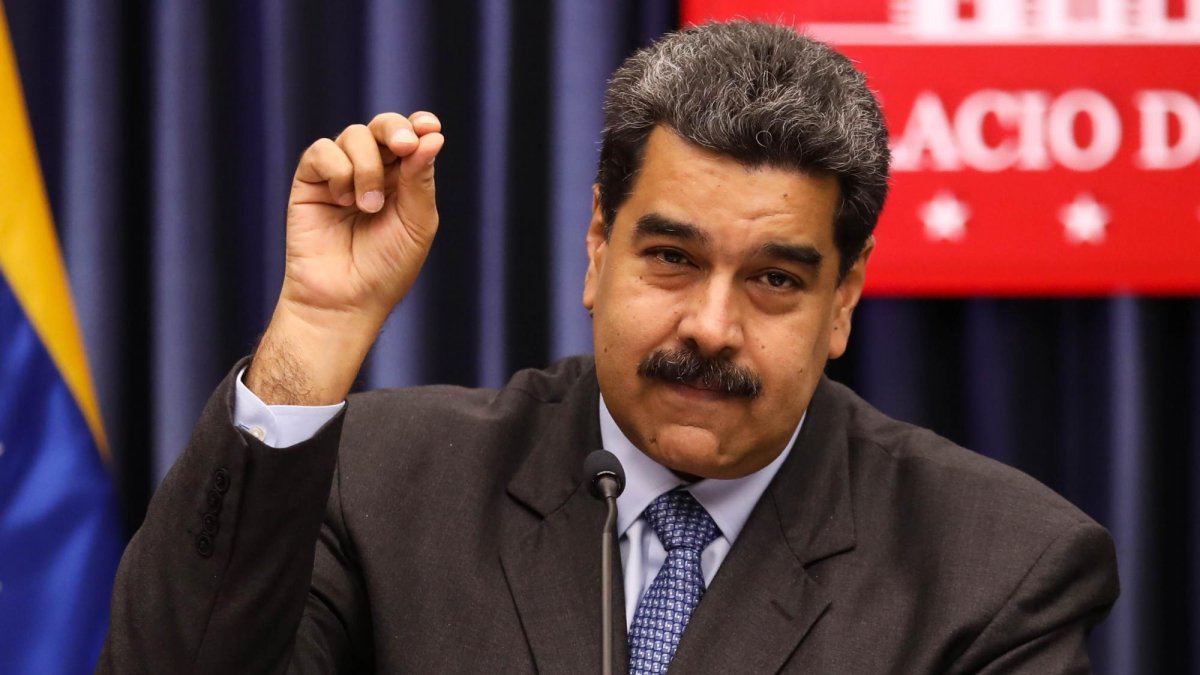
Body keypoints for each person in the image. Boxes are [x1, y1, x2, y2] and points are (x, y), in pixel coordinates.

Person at [100, 21, 1118, 674]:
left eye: (774, 279)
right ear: (598, 245)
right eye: (672, 258)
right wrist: (314, 334)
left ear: (843, 299)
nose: (710, 326)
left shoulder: (996, 570)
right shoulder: (380, 481)